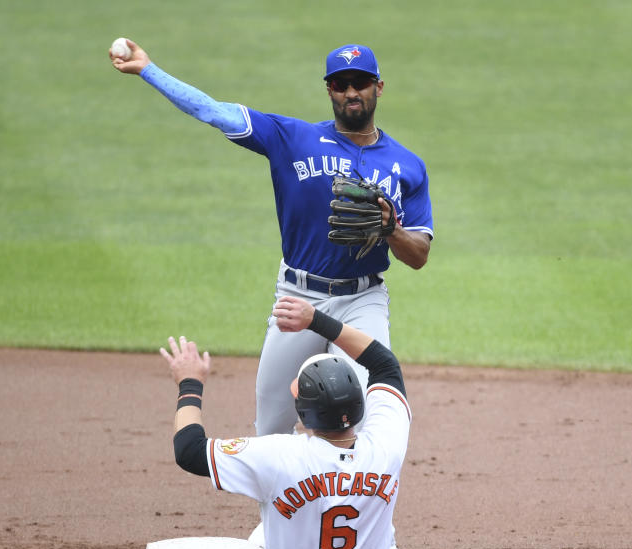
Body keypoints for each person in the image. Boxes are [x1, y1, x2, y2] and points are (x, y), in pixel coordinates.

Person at [110, 41, 433, 443]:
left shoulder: (409, 166)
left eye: (361, 83)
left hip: (362, 301)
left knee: (364, 421)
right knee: (271, 427)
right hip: (297, 295)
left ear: (378, 87)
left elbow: (418, 255)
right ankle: (279, 507)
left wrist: (391, 230)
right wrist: (148, 69)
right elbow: (212, 110)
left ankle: (357, 504)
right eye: (340, 84)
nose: (352, 92)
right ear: (329, 90)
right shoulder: (290, 137)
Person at [160, 295, 411, 549]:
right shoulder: (386, 443)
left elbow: (189, 450)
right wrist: (318, 320)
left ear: (303, 414)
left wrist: (189, 382)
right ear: (361, 404)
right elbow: (385, 365)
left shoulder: (279, 455)